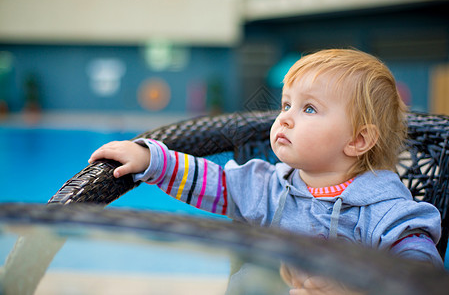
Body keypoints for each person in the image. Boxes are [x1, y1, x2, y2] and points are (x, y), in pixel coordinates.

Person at [89, 49, 443, 292]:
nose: (284, 117)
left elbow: (420, 273)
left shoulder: (385, 211)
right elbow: (214, 181)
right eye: (286, 103)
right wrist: (154, 162)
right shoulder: (267, 185)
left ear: (358, 140)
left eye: (308, 109)